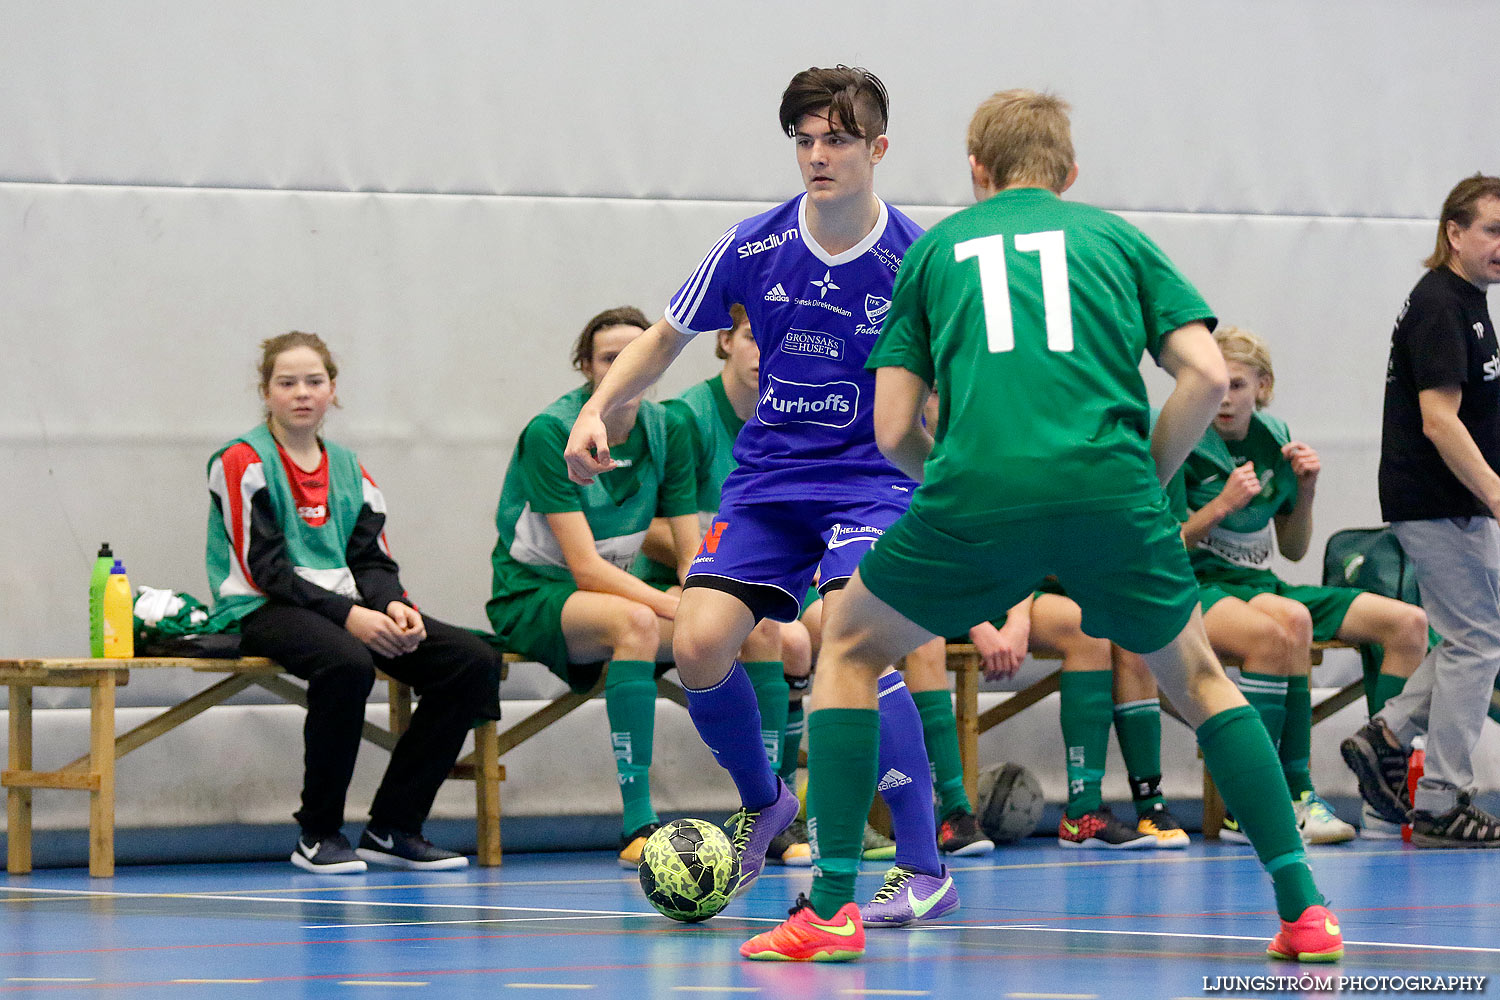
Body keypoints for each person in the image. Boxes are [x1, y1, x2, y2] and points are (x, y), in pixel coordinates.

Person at [742, 89, 1342, 964]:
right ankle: (1303, 909)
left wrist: (952, 483)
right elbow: (1209, 377)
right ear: (1068, 174)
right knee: (1204, 679)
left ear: (977, 172)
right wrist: (1145, 478)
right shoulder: (1118, 239)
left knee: (847, 646)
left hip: (974, 498)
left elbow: (891, 428)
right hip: (1112, 495)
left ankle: (831, 906)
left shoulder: (936, 248)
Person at [565, 67, 957, 923]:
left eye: (838, 140)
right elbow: (665, 339)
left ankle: (926, 865)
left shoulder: (920, 260)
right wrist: (600, 409)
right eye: (805, 141)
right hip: (771, 479)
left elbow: (953, 386)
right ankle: (767, 799)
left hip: (873, 479)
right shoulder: (753, 243)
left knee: (855, 642)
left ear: (878, 148)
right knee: (700, 642)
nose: (818, 157)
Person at [206, 332, 497, 874]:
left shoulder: (349, 467)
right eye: (286, 382)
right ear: (265, 392)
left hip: (346, 607)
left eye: (313, 382)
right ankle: (318, 833)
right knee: (345, 662)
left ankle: (393, 825)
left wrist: (393, 606)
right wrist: (352, 617)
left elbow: (371, 561)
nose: (301, 393)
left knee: (471, 661)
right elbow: (265, 570)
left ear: (332, 390)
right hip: (260, 607)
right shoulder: (240, 460)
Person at [1180, 326, 1428, 843]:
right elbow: (1164, 547)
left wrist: (1309, 491)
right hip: (1197, 586)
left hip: (1262, 585)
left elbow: (1293, 548)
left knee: (1407, 623)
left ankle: (1384, 798)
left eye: (1238, 385)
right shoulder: (1181, 438)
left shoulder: (1274, 439)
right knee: (1289, 622)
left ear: (1263, 387)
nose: (1224, 398)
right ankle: (1266, 802)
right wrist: (1220, 506)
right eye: (1215, 385)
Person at [486, 307, 702, 867]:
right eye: (610, 357)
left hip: (615, 595)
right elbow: (585, 568)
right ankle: (639, 825)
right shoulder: (551, 432)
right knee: (635, 622)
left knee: (753, 629)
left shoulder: (669, 428)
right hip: (535, 593)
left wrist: (701, 598)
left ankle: (770, 813)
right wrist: (670, 604)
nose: (625, 367)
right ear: (586, 366)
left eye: (636, 355)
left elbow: (687, 547)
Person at [1342, 174, 1500, 848]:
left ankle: (1384, 733)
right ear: (1453, 233)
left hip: (1453, 501)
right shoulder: (1441, 304)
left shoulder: (1468, 300)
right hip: (1436, 502)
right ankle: (1439, 798)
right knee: (1477, 642)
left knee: (1475, 637)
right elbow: (1439, 421)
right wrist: (1494, 491)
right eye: (1492, 230)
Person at [631, 304, 813, 866]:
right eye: (755, 338)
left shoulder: (798, 415)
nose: (766, 352)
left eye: (778, 341)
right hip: (692, 577)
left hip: (771, 569)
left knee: (842, 627)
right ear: (725, 342)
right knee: (782, 638)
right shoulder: (685, 418)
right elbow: (646, 526)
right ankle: (766, 801)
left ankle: (807, 805)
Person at [1027, 589, 1184, 848]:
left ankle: (1151, 803)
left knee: (1136, 634)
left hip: (1092, 586)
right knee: (1087, 629)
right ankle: (1083, 809)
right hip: (1023, 588)